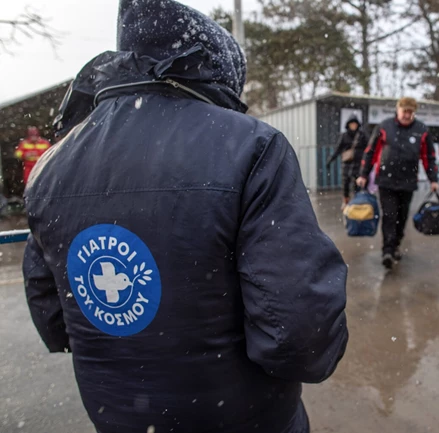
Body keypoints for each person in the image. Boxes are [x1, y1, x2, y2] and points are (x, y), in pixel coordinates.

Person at [22, 2, 348, 433]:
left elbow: (51, 316)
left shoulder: (52, 165)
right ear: (217, 70)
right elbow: (302, 333)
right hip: (246, 419)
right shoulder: (250, 146)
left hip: (116, 417)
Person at [356, 97, 439, 269]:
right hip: (386, 181)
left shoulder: (421, 130)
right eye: (404, 111)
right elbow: (370, 151)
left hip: (408, 182)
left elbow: (428, 157)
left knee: (401, 217)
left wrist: (433, 179)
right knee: (389, 216)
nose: (407, 115)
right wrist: (364, 174)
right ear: (398, 110)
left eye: (410, 112)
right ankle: (387, 250)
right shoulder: (385, 127)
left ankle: (396, 246)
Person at [327, 116, 368, 208]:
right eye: (351, 124)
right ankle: (346, 201)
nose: (353, 126)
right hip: (347, 164)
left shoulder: (362, 135)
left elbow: (368, 149)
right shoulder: (344, 136)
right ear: (348, 125)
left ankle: (356, 202)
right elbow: (338, 149)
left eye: (355, 124)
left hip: (358, 164)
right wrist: (330, 160)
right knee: (345, 183)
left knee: (357, 184)